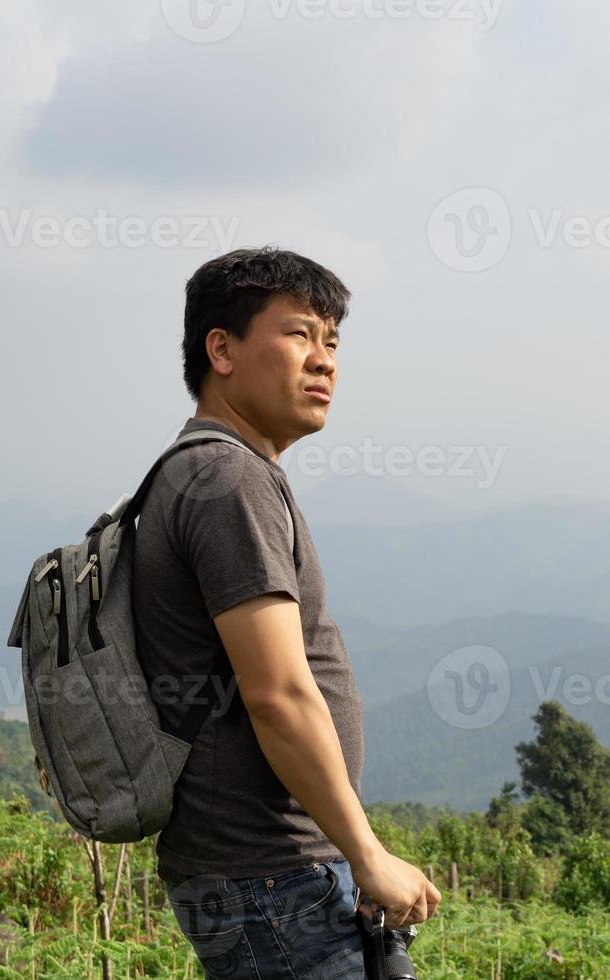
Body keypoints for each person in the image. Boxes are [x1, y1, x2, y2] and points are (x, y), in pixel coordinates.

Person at [132, 246, 440, 978]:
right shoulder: (227, 479)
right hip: (273, 882)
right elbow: (276, 693)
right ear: (223, 349)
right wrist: (369, 855)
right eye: (299, 334)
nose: (324, 361)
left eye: (332, 342)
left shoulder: (202, 470)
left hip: (258, 878)